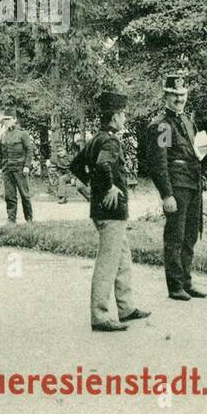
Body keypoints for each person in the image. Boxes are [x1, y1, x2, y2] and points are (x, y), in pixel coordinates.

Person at [72, 91, 150, 333]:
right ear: (115, 117)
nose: (125, 118)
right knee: (108, 262)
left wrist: (93, 185)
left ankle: (126, 307)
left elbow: (76, 165)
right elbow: (104, 164)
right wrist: (109, 186)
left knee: (123, 257)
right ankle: (100, 316)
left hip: (103, 210)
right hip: (112, 212)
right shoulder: (111, 141)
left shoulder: (96, 138)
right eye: (123, 114)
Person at [144, 74, 207, 301]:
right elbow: (159, 163)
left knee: (190, 235)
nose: (179, 100)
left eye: (182, 95)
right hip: (177, 187)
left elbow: (195, 152)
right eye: (174, 95)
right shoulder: (163, 126)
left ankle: (186, 282)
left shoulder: (189, 122)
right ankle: (175, 286)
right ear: (166, 96)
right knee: (175, 236)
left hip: (193, 185)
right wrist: (166, 194)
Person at [0, 112, 36, 223]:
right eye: (5, 120)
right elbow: (0, 152)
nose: (6, 122)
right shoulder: (3, 135)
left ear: (15, 119)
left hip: (20, 169)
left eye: (8, 119)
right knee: (9, 196)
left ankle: (29, 219)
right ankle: (11, 220)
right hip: (7, 169)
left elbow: (29, 150)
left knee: (25, 195)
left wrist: (27, 166)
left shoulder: (22, 134)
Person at [52, 133, 85, 203]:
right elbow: (56, 169)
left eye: (61, 151)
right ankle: (62, 197)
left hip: (76, 175)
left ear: (65, 151)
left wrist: (73, 178)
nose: (59, 153)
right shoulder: (57, 159)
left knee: (80, 186)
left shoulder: (70, 158)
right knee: (60, 179)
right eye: (58, 151)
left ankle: (91, 198)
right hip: (66, 176)